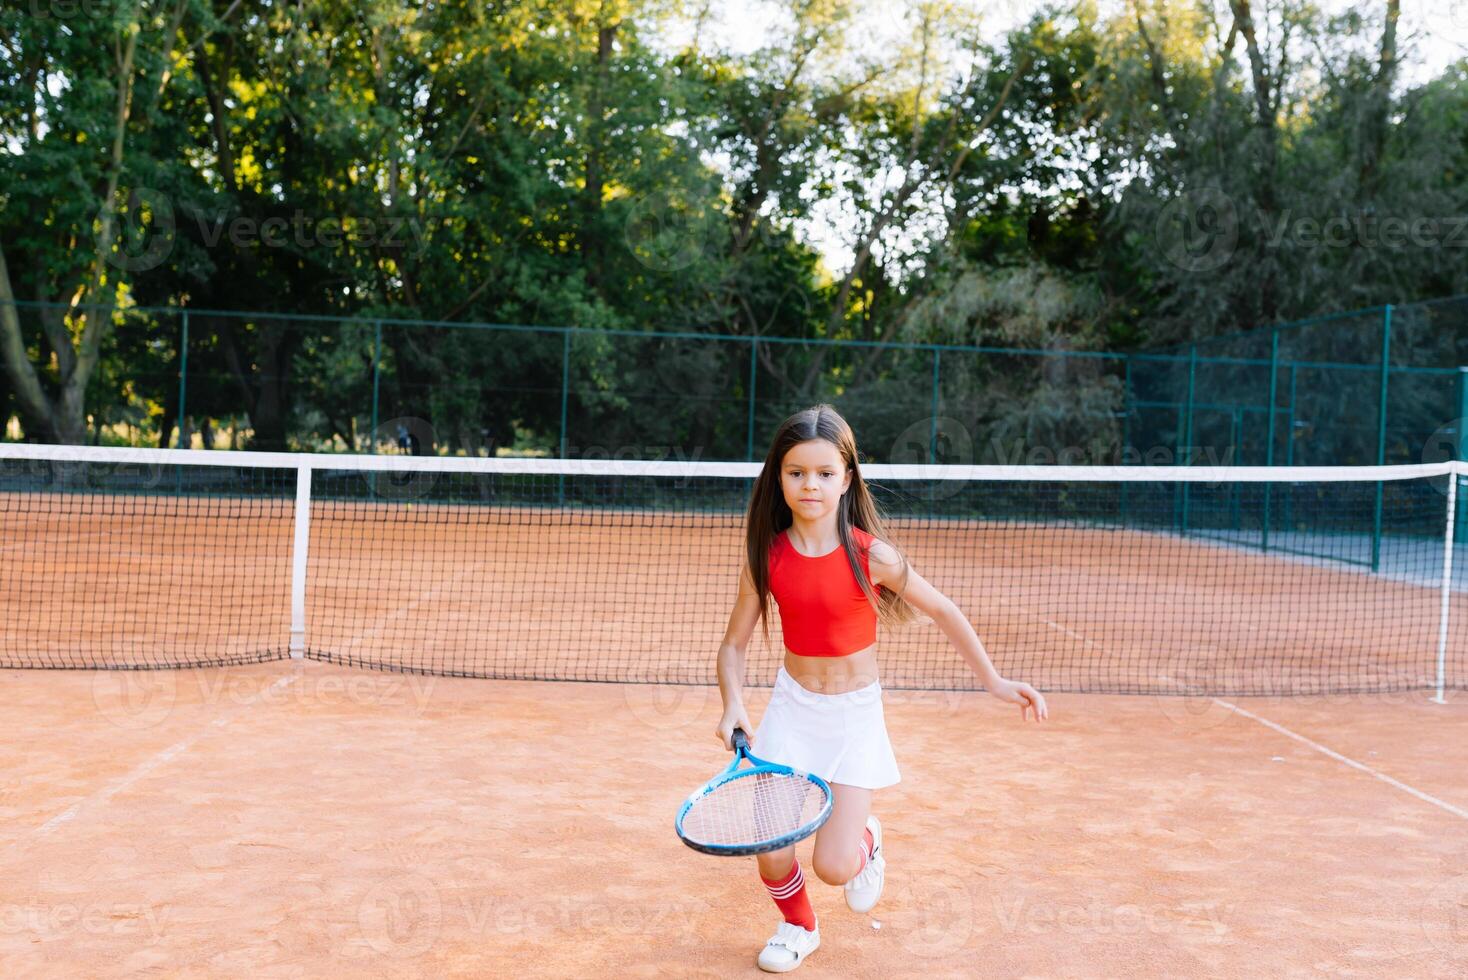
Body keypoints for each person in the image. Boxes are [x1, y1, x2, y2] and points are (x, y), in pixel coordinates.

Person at [715, 404, 1048, 973]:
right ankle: (798, 926)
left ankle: (866, 839)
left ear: (847, 479)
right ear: (779, 478)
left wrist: (994, 681)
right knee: (770, 850)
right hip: (793, 710)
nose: (810, 484)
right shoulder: (765, 558)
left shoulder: (874, 557)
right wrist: (734, 705)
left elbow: (943, 609)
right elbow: (733, 646)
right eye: (796, 472)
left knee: (835, 868)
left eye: (824, 473)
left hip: (853, 718)